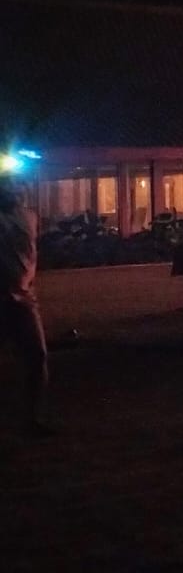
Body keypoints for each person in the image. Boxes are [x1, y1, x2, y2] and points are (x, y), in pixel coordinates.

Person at [0, 168, 50, 435]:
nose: (13, 189)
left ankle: (32, 419)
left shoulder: (28, 217)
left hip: (22, 299)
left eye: (15, 185)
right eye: (6, 185)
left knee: (37, 356)